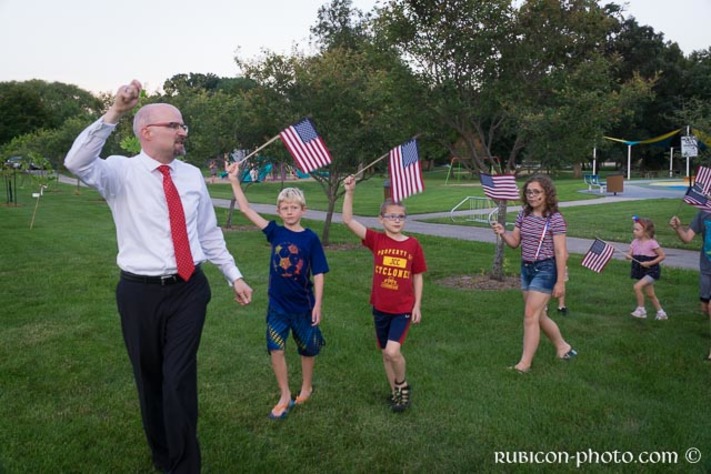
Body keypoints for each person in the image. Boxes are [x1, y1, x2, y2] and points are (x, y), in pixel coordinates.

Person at [64, 80, 253, 473]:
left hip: (189, 290)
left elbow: (207, 232)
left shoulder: (191, 175)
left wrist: (233, 275)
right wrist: (115, 111)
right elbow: (76, 162)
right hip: (139, 294)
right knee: (149, 380)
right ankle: (163, 457)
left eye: (183, 126)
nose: (183, 131)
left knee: (178, 378)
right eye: (175, 125)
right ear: (147, 132)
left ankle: (185, 466)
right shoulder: (120, 172)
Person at [226, 161, 329, 419]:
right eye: (285, 208)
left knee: (308, 349)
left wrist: (317, 304)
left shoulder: (311, 238)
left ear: (303, 210)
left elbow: (318, 272)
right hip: (278, 306)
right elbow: (246, 209)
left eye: (294, 207)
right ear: (279, 210)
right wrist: (235, 181)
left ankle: (306, 386)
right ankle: (284, 393)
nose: (289, 212)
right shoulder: (274, 232)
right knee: (276, 347)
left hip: (303, 306)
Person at [342, 175, 427, 412]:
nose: (397, 220)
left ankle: (402, 385)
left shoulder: (412, 245)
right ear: (381, 219)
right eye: (391, 216)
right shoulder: (376, 240)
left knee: (393, 351)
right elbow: (348, 220)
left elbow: (418, 275)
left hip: (403, 309)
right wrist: (350, 192)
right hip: (380, 307)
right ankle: (395, 394)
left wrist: (417, 305)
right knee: (385, 354)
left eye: (401, 216)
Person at [491, 174, 576, 373]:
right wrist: (503, 232)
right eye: (528, 191)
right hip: (526, 269)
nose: (531, 195)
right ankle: (563, 347)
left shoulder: (555, 219)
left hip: (546, 269)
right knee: (537, 316)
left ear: (547, 194)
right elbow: (514, 243)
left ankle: (524, 364)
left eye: (536, 192)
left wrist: (560, 282)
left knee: (530, 315)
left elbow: (560, 252)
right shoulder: (524, 215)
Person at [670, 211, 711, 360]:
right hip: (707, 270)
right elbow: (687, 238)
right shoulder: (704, 214)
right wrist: (678, 228)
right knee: (705, 308)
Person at [627, 217, 667, 320]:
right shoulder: (634, 242)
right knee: (650, 294)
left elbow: (662, 256)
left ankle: (641, 310)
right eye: (634, 229)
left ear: (646, 231)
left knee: (637, 287)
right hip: (641, 271)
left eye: (637, 229)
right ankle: (661, 313)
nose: (634, 231)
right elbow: (629, 254)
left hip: (651, 271)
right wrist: (628, 256)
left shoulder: (652, 243)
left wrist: (649, 262)